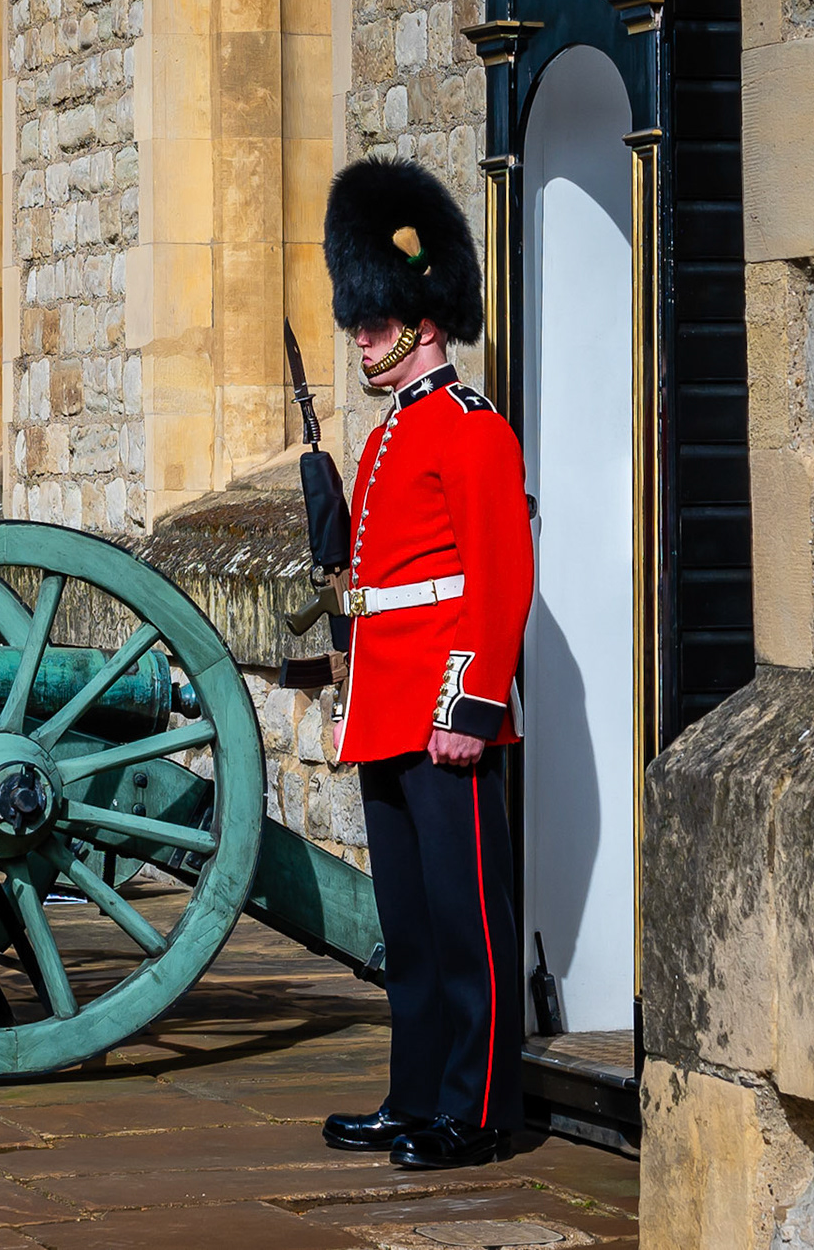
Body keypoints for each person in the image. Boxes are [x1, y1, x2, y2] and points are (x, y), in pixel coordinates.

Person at [316, 157, 534, 1170]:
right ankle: (415, 1095)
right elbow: (379, 585)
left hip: (446, 704)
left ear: (424, 316)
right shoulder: (386, 437)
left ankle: (478, 1108)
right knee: (408, 928)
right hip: (388, 700)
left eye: (375, 319)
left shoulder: (471, 428)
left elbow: (498, 580)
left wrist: (473, 706)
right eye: (358, 319)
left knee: (468, 924)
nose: (362, 335)